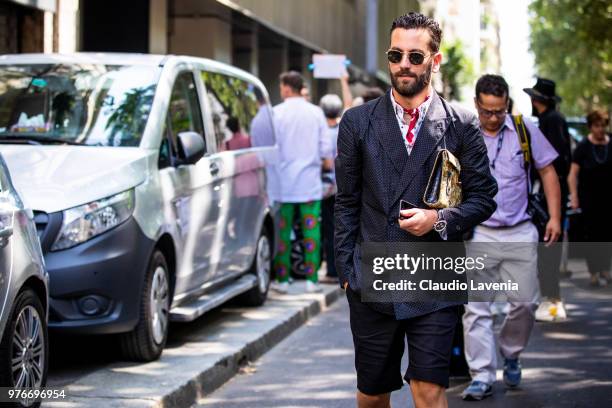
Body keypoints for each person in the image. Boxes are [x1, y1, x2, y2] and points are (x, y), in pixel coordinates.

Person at [335, 12, 497, 408]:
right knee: (372, 395)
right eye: (395, 55)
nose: (403, 64)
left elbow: (483, 196)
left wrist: (439, 219)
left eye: (414, 56)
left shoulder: (461, 123)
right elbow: (346, 201)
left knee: (428, 390)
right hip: (373, 275)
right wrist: (346, 272)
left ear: (434, 60)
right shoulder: (357, 122)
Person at [461, 74, 561, 401]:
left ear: (507, 105)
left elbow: (547, 171)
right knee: (477, 308)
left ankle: (512, 351)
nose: (493, 117)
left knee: (525, 304)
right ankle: (481, 375)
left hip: (520, 230)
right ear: (477, 104)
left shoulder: (523, 130)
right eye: (487, 111)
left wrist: (556, 217)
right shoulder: (464, 133)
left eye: (499, 111)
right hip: (480, 233)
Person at [272, 71, 333, 293]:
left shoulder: (276, 113)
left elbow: (271, 148)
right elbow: (326, 149)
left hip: (283, 185)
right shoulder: (316, 113)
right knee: (311, 232)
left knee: (283, 232)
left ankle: (282, 279)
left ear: (287, 88)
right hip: (309, 184)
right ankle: (311, 279)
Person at [524, 77, 571, 321]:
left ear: (539, 100)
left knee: (548, 248)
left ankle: (553, 302)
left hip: (549, 194)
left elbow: (553, 162)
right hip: (550, 193)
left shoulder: (551, 121)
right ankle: (552, 301)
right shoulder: (551, 120)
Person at [568, 109, 612, 287]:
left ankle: (605, 269)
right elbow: (573, 174)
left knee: (607, 234)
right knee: (592, 236)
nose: (600, 129)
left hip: (609, 198)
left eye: (603, 126)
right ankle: (593, 271)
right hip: (589, 198)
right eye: (596, 126)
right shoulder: (584, 146)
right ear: (590, 127)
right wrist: (574, 196)